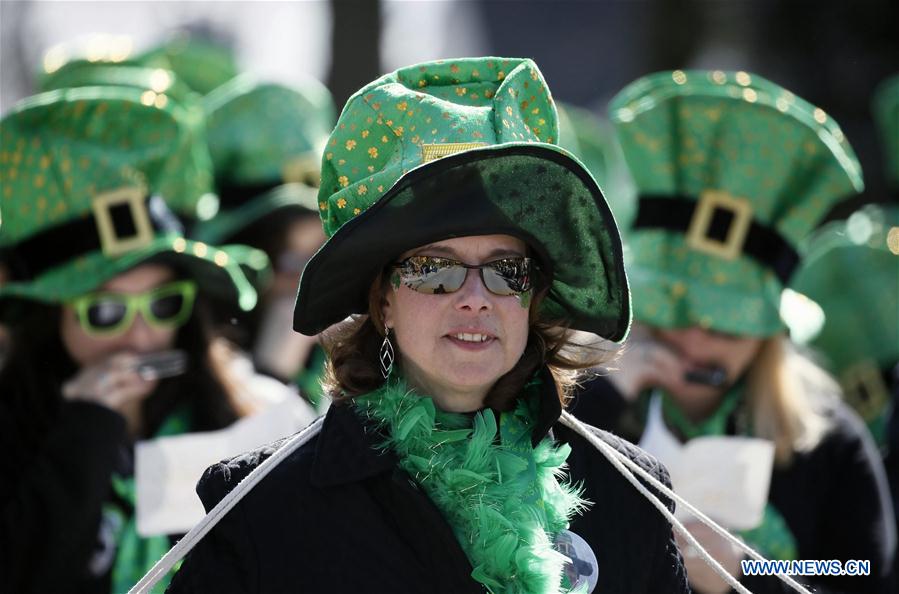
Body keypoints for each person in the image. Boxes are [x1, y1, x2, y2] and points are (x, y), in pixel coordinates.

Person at [166, 57, 689, 593]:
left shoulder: (630, 492)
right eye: (435, 270)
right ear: (383, 301)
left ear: (533, 297)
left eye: (506, 271)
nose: (474, 298)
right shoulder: (263, 510)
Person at [574, 70, 896, 593]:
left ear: (769, 334)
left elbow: (861, 575)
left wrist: (749, 568)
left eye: (726, 327)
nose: (696, 344)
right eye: (675, 315)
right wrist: (600, 393)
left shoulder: (831, 440)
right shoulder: (576, 406)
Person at [0, 86, 315, 594]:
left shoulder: (246, 412)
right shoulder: (13, 428)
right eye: (105, 311)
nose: (142, 334)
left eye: (165, 304)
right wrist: (84, 436)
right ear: (48, 316)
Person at [193, 76, 336, 408]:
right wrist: (271, 377)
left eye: (324, 254)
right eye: (290, 261)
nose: (311, 281)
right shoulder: (190, 364)